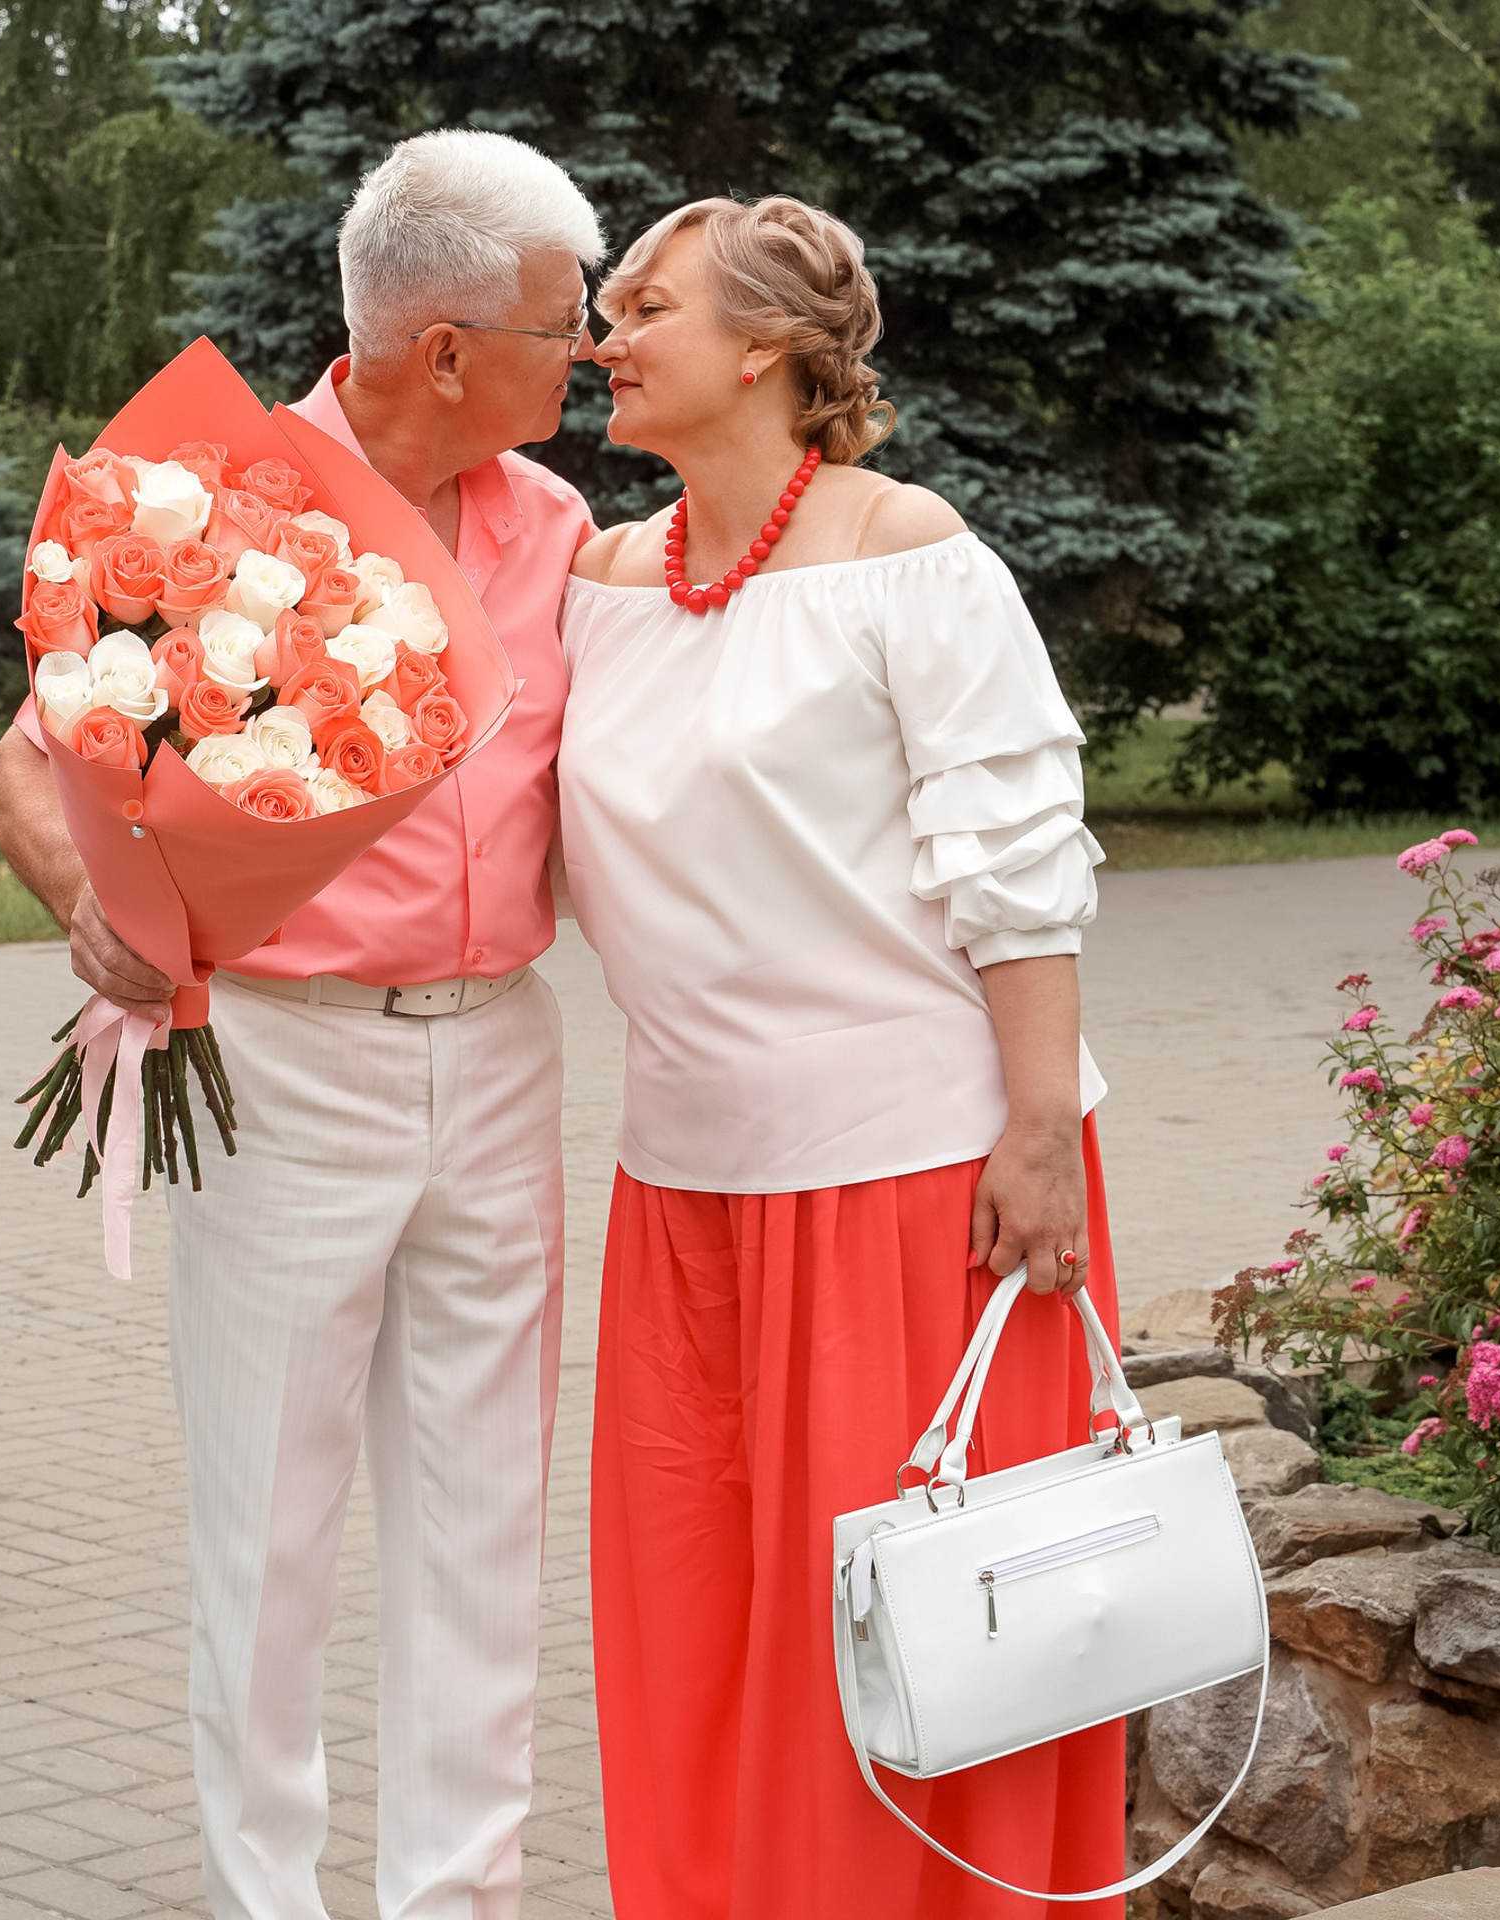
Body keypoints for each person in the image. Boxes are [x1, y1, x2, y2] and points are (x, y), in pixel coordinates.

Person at [0, 130, 604, 1920]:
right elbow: (25, 764)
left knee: (484, 1526)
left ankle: (456, 1902)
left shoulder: (561, 530)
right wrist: (95, 909)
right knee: (268, 1530)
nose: (587, 354)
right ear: (446, 351)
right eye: (563, 325)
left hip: (502, 1052)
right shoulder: (211, 506)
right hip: (281, 1060)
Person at [557, 195, 1122, 1919]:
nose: (604, 337)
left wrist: (1041, 1127)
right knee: (702, 1624)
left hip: (919, 1186)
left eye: (644, 307)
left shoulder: (908, 547)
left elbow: (1015, 855)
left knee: (921, 1640)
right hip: (685, 1187)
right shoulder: (598, 575)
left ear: (766, 351)